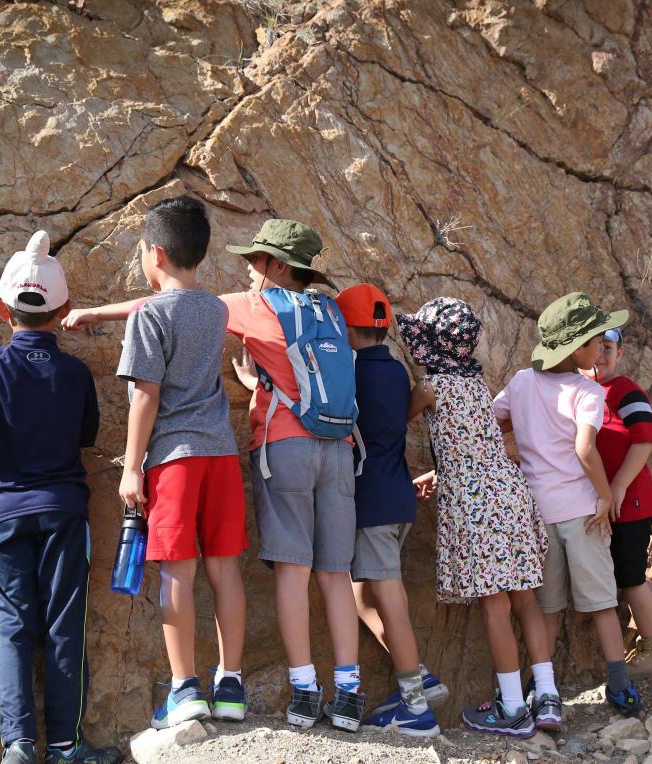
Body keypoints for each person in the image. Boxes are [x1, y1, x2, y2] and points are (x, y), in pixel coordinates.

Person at [66, 197, 250, 729]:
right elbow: (167, 306)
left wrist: (131, 465)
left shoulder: (151, 316)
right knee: (225, 568)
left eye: (143, 251)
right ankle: (231, 684)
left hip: (173, 459)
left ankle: (185, 688)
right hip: (220, 454)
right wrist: (103, 311)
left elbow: (145, 395)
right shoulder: (214, 308)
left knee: (177, 570)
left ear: (157, 253)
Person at [0, 231, 119, 764]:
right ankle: (65, 744)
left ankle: (18, 746)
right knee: (65, 625)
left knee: (13, 625)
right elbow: (86, 435)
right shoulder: (76, 372)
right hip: (64, 510)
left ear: (1, 309)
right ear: (63, 309)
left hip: (2, 513)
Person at [222, 220, 365, 732]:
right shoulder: (330, 310)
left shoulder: (256, 305)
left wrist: (88, 313)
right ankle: (349, 693)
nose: (249, 268)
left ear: (278, 267)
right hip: (339, 447)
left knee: (292, 570)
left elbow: (169, 307)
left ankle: (305, 689)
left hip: (285, 446)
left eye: (256, 260)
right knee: (335, 574)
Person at [399, 298, 553, 739]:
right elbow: (478, 446)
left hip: (474, 501)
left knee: (495, 605)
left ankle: (510, 706)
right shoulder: (476, 384)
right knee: (525, 598)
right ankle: (546, 696)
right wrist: (440, 470)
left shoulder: (430, 387)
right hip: (509, 490)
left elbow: (394, 423)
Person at [494, 292, 644, 717]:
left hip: (535, 514)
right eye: (597, 341)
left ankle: (542, 686)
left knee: (547, 607)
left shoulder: (522, 382)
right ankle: (618, 683)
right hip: (582, 511)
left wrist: (518, 449)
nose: (601, 348)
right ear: (577, 348)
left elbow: (491, 422)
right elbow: (585, 449)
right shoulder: (586, 390)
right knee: (600, 602)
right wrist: (604, 494)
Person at [327, 283, 444, 739]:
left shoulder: (349, 373)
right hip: (397, 496)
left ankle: (415, 704)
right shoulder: (396, 372)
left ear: (343, 325)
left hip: (370, 501)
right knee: (362, 595)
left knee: (387, 595)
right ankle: (419, 676)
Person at [587, 328, 652, 676]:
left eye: (607, 348)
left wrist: (620, 486)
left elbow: (644, 438)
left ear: (620, 354)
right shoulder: (586, 391)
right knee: (620, 570)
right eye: (593, 347)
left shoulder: (625, 390)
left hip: (630, 502)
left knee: (629, 577)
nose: (600, 355)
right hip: (612, 502)